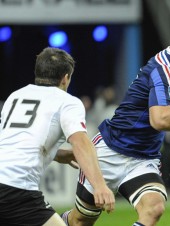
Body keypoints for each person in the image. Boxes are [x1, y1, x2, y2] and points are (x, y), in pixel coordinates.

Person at [60, 24, 170, 226]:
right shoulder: (163, 68)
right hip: (110, 150)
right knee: (80, 221)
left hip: (142, 158)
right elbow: (158, 119)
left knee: (154, 208)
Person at [0, 47, 115, 226]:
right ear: (66, 78)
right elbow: (81, 142)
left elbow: (13, 143)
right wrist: (100, 185)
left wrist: (61, 155)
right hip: (17, 190)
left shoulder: (15, 97)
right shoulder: (67, 101)